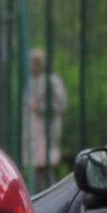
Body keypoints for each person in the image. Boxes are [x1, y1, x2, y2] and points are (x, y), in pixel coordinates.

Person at [25, 47, 68, 178]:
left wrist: (40, 107)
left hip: (47, 130)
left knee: (46, 168)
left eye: (32, 63)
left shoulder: (52, 81)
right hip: (33, 131)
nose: (30, 66)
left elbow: (62, 104)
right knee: (36, 170)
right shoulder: (30, 81)